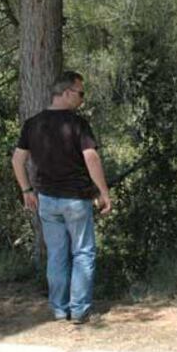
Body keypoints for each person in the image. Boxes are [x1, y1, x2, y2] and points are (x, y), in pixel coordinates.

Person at [12, 71, 112, 324]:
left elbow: (17, 159)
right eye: (80, 93)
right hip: (76, 199)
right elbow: (91, 157)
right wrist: (103, 192)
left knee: (57, 254)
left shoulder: (32, 124)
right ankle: (79, 310)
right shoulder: (78, 124)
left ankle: (59, 309)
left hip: (46, 199)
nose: (82, 99)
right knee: (82, 253)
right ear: (66, 93)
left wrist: (26, 191)